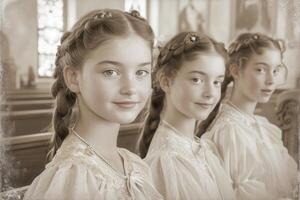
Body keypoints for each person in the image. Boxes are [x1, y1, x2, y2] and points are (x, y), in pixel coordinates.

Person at [24, 9, 162, 200]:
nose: (131, 88)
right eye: (110, 72)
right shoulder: (73, 178)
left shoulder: (133, 164)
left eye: (141, 72)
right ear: (73, 78)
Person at [199, 32, 297, 200]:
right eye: (260, 69)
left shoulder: (264, 126)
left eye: (275, 70)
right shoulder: (229, 131)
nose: (271, 80)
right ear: (235, 70)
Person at [139, 31, 236, 200]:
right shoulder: (167, 162)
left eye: (216, 82)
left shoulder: (203, 148)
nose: (210, 93)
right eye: (197, 80)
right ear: (166, 81)